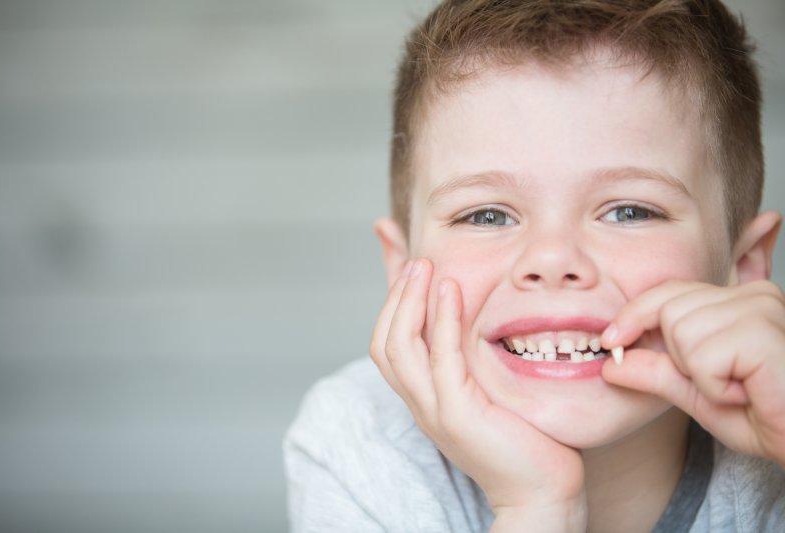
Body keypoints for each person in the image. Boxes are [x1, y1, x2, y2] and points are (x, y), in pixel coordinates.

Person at [285, 1, 785, 531]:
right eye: (487, 215)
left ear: (743, 265)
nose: (551, 260)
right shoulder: (360, 444)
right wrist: (538, 507)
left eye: (629, 211)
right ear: (403, 268)